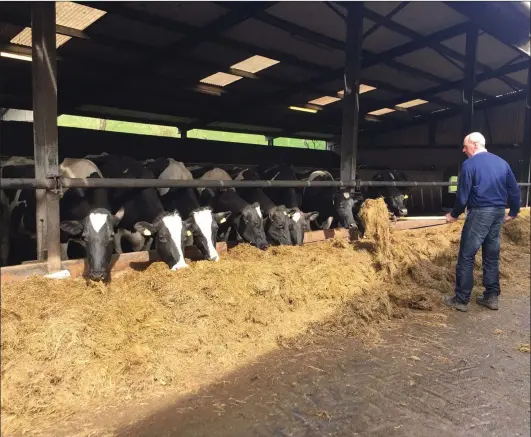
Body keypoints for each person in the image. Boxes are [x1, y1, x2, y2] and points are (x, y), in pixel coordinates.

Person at [443, 132, 521, 312]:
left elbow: (462, 195)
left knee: (466, 255)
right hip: (497, 213)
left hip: (479, 213)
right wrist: (514, 212)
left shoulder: (470, 164)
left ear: (475, 145)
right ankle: (491, 297)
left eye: (465, 146)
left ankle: (461, 299)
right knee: (491, 255)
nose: (463, 150)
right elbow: (514, 190)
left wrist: (454, 214)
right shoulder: (502, 163)